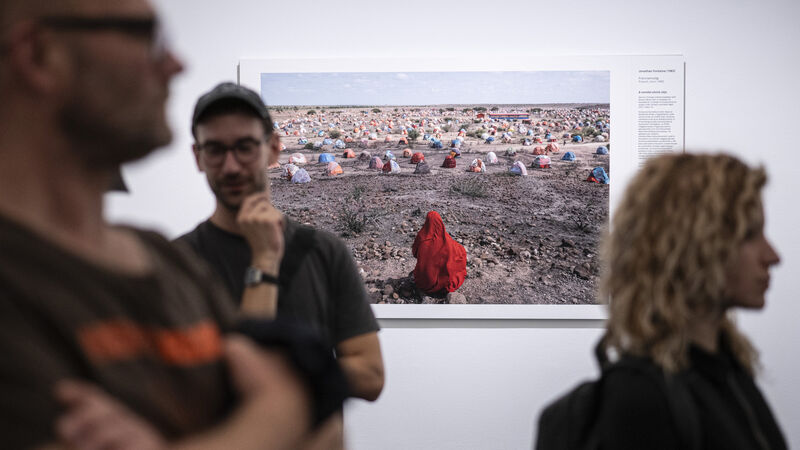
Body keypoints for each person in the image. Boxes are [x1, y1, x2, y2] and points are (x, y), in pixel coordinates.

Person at [0, 0, 332, 448]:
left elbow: (322, 425)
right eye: (148, 37)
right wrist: (275, 408)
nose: (176, 64)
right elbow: (290, 402)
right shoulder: (17, 279)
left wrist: (282, 403)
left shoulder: (162, 257)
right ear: (40, 55)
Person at [177, 82, 385, 402]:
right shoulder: (177, 262)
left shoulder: (325, 251)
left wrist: (292, 367)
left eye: (245, 147)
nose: (230, 166)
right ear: (198, 157)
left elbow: (371, 376)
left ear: (273, 148)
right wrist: (264, 258)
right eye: (215, 150)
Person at [595, 153, 787, 449]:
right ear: (692, 246)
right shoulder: (639, 403)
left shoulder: (729, 369)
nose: (773, 256)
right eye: (749, 234)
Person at [411, 211, 467, 295]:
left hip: (425, 283)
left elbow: (414, 253)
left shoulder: (422, 237)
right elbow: (461, 252)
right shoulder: (447, 240)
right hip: (444, 284)